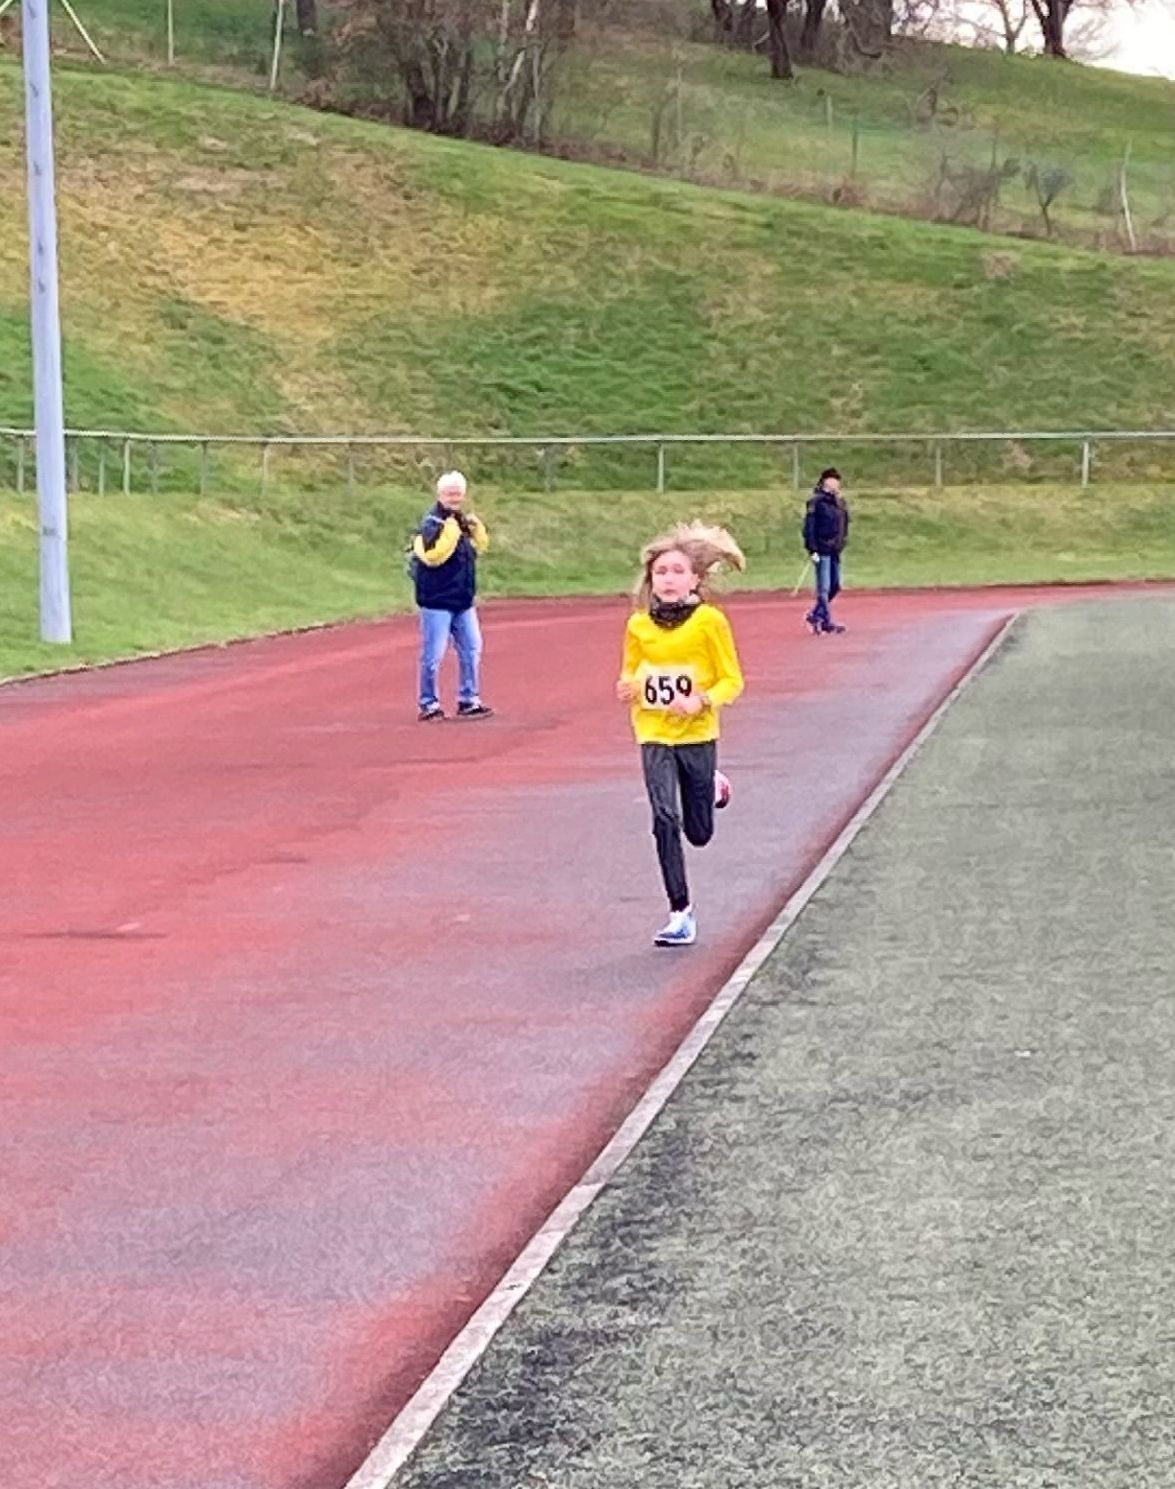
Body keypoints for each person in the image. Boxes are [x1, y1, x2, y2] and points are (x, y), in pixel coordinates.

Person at [616, 522, 745, 948]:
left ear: (695, 579)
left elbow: (732, 680)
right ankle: (680, 913)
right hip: (653, 731)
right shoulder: (638, 625)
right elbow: (632, 670)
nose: (668, 579)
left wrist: (701, 700)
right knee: (664, 818)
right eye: (660, 572)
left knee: (699, 833)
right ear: (651, 580)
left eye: (677, 572)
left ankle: (712, 785)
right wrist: (629, 686)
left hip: (697, 733)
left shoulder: (709, 622)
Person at [412, 471, 493, 722]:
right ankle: (429, 704)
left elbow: (477, 550)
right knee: (433, 655)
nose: (454, 498)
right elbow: (433, 557)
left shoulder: (461, 522)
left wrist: (477, 531)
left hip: (463, 600)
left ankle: (469, 699)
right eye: (450, 494)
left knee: (471, 649)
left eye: (458, 494)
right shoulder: (432, 523)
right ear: (440, 494)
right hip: (437, 601)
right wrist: (450, 533)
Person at [803, 467, 850, 635]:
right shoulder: (816, 503)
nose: (835, 484)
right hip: (821, 549)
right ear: (824, 483)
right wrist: (812, 549)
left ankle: (816, 615)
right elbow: (809, 527)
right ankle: (825, 621)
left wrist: (842, 541)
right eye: (831, 480)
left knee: (835, 585)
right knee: (823, 587)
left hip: (834, 549)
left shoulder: (840, 503)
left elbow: (844, 524)